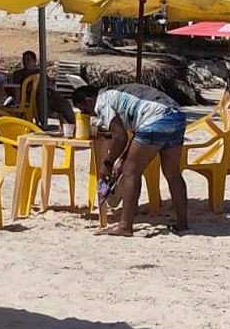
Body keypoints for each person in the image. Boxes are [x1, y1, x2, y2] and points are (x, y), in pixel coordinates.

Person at [73, 82, 190, 237]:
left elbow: (120, 136)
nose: (91, 115)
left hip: (155, 119)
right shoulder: (115, 93)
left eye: (86, 110)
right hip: (176, 116)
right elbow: (137, 134)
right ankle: (182, 223)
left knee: (131, 172)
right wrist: (122, 158)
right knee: (173, 173)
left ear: (89, 101)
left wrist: (107, 163)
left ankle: (125, 226)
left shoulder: (102, 102)